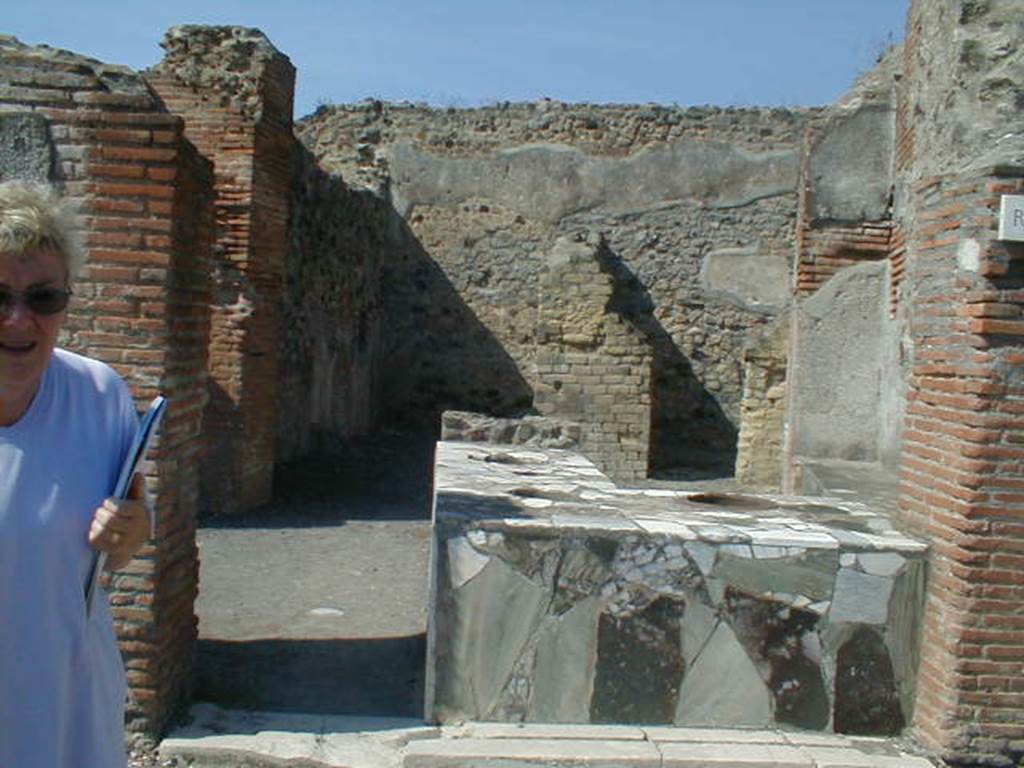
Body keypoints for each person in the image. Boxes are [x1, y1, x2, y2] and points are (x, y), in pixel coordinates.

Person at [0, 180, 151, 768]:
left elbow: (122, 543)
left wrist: (134, 533)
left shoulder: (99, 395)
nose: (19, 320)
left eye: (43, 299)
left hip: (70, 701)